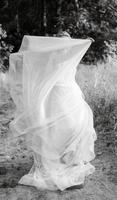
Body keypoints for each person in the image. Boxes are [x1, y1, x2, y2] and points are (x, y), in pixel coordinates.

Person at [9, 34, 97, 191]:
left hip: (71, 97)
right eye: (61, 43)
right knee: (54, 132)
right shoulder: (50, 60)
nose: (65, 46)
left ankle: (70, 163)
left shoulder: (70, 56)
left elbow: (79, 49)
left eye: (67, 42)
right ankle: (58, 167)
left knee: (77, 127)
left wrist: (86, 43)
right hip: (56, 99)